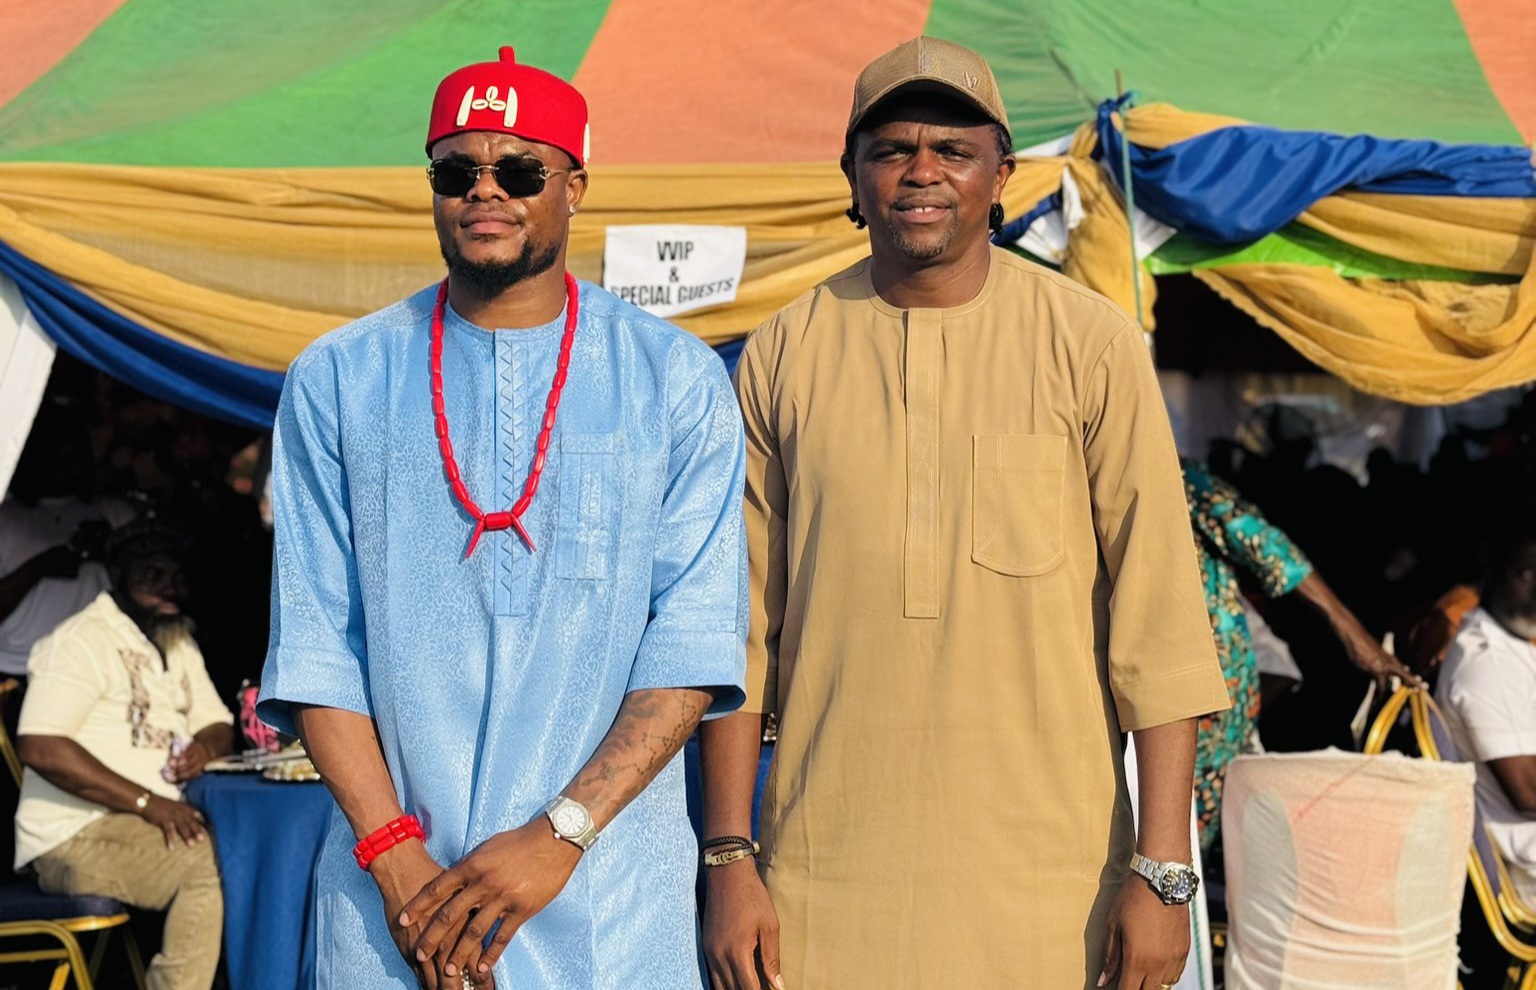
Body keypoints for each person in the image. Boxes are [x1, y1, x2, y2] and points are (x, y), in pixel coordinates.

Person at [699, 37, 1230, 990]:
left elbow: (1159, 624)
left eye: (953, 150)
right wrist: (730, 858)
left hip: (1055, 891)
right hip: (823, 885)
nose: (922, 172)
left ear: (1001, 177)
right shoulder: (784, 353)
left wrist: (1163, 871)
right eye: (892, 150)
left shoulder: (1090, 345)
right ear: (852, 178)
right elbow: (738, 633)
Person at [256, 46, 748, 990]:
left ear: (575, 187)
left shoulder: (674, 380)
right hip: (394, 908)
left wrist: (558, 838)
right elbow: (316, 643)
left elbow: (691, 644)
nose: (486, 191)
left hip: (606, 900)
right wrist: (399, 867)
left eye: (520, 171)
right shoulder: (339, 378)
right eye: (457, 172)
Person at [15, 519, 233, 990]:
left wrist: (205, 747)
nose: (169, 586)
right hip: (73, 835)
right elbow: (40, 745)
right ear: (119, 575)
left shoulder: (175, 637)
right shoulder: (81, 639)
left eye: (176, 575)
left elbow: (218, 723)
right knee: (207, 864)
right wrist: (147, 803)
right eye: (153, 573)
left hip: (147, 824)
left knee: (240, 849)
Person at [1180, 459, 1416, 850]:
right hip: (1159, 684)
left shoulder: (1171, 473)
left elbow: (1265, 544)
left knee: (1178, 837)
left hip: (1203, 690)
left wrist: (1352, 632)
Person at [1436, 530, 1536, 905]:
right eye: (1526, 574)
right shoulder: (1489, 663)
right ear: (1493, 570)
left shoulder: (1510, 646)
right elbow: (1527, 791)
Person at [0, 402, 135, 679]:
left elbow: (154, 588)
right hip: (19, 666)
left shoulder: (113, 514)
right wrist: (40, 567)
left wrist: (109, 550)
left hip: (99, 669)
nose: (62, 468)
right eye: (51, 457)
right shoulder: (7, 518)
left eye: (71, 458)